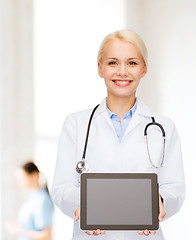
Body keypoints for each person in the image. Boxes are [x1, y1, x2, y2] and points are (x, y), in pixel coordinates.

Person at [52, 30, 185, 239]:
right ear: (100, 68)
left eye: (132, 63)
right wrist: (83, 207)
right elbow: (62, 188)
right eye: (113, 62)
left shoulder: (163, 128)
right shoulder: (76, 124)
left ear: (144, 69)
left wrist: (158, 201)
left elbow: (174, 189)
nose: (122, 71)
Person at [7, 161, 54, 240]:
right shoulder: (31, 197)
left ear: (34, 176)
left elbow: (47, 235)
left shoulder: (42, 200)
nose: (19, 183)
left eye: (22, 178)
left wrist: (19, 231)